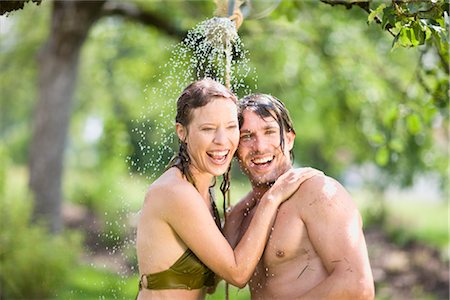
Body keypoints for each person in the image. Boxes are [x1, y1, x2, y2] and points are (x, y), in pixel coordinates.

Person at [135, 79, 321, 300]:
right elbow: (238, 273)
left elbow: (212, 280)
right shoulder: (175, 192)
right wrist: (272, 197)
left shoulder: (201, 190)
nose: (222, 141)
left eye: (231, 127)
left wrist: (254, 197)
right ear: (182, 132)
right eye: (208, 129)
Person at [224, 94, 375, 299]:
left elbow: (357, 286)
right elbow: (212, 281)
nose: (259, 146)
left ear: (288, 139)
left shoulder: (319, 192)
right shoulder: (246, 212)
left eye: (269, 132)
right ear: (235, 149)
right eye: (247, 136)